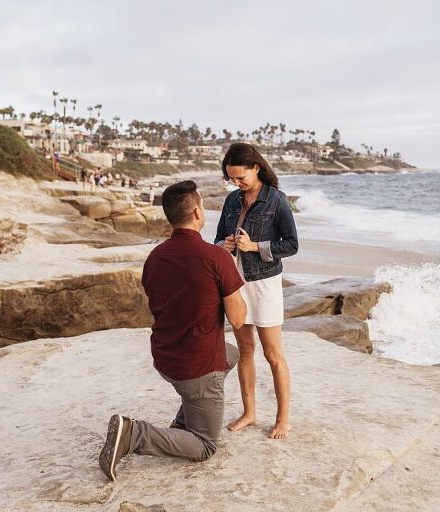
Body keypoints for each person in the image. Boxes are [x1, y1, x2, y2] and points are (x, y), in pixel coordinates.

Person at [98, 180, 247, 482]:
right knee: (205, 446)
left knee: (231, 353)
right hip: (197, 367)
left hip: (165, 357)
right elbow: (239, 319)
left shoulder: (155, 257)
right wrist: (229, 273)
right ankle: (135, 434)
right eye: (202, 205)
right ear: (196, 212)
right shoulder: (216, 257)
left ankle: (188, 414)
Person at [214, 142, 298, 439]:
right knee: (245, 350)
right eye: (232, 179)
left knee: (273, 353)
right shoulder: (232, 201)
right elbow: (215, 240)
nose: (236, 184)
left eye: (241, 178)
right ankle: (249, 413)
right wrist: (222, 246)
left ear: (256, 168)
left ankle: (283, 419)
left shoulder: (277, 200)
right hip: (235, 283)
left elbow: (291, 245)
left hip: (264, 284)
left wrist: (256, 247)